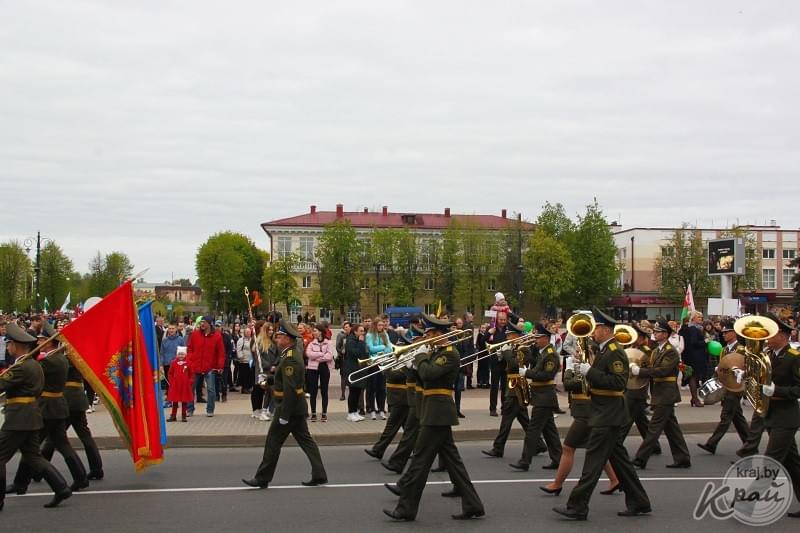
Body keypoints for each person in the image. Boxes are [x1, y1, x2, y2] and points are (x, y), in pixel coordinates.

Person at [383, 314, 484, 521]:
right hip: (433, 410)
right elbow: (422, 377)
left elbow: (429, 374)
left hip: (438, 412)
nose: (426, 337)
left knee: (420, 460)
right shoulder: (436, 352)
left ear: (438, 334)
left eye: (429, 333)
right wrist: (412, 364)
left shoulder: (449, 354)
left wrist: (420, 357)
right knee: (452, 461)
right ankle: (473, 504)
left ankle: (406, 508)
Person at [553, 307, 651, 521]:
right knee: (622, 463)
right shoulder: (605, 349)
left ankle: (577, 505)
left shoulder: (615, 351)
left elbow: (618, 383)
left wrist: (590, 372)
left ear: (605, 330)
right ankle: (640, 501)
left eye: (596, 328)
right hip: (605, 411)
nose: (593, 332)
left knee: (593, 462)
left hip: (608, 414)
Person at [242, 320, 327, 489]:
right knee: (306, 441)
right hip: (295, 407)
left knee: (273, 441)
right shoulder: (287, 353)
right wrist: (269, 380)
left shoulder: (290, 359)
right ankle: (319, 474)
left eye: (280, 336)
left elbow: (290, 389)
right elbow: (283, 379)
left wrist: (284, 416)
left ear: (288, 338)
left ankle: (262, 478)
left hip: (289, 408)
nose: (277, 338)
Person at [9, 325, 89, 494]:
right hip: (57, 405)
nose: (39, 342)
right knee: (61, 443)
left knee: (31, 446)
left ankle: (21, 482)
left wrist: (28, 360)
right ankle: (80, 477)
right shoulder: (59, 358)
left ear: (48, 341)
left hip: (47, 407)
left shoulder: (50, 361)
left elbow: (32, 373)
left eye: (42, 340)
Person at [0, 323, 72, 510]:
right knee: (33, 457)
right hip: (32, 415)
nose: (8, 347)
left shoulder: (22, 367)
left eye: (9, 344)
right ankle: (61, 487)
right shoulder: (33, 365)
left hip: (18, 418)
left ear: (16, 346)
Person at [541, 335, 620, 496]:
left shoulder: (590, 368)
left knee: (568, 447)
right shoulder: (586, 367)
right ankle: (614, 479)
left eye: (580, 351)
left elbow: (570, 384)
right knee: (597, 449)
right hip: (584, 410)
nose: (577, 353)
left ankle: (557, 483)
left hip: (586, 412)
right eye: (577, 350)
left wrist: (570, 370)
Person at [631, 320, 691, 469]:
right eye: (655, 331)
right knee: (672, 428)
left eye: (657, 332)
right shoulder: (658, 350)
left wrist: (640, 372)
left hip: (666, 393)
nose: (654, 333)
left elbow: (662, 371)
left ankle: (640, 459)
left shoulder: (670, 351)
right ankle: (683, 458)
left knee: (654, 427)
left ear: (665, 334)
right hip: (660, 392)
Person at [759, 313, 800, 518]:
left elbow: (798, 389)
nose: (767, 337)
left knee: (771, 459)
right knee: (792, 463)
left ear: (783, 335)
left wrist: (777, 391)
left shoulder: (794, 357)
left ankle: (748, 500)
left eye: (771, 333)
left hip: (787, 416)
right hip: (772, 414)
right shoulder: (769, 355)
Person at [41, 352, 103, 481]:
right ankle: (96, 468)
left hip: (69, 399)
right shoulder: (75, 353)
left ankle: (39, 470)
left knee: (55, 437)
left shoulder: (69, 356)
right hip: (78, 398)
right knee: (84, 435)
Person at [509, 323, 562, 471]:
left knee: (533, 430)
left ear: (545, 338)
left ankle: (525, 461)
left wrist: (527, 373)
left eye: (537, 338)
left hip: (544, 397)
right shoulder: (543, 353)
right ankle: (558, 458)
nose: (535, 341)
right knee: (549, 431)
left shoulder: (550, 354)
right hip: (541, 396)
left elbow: (546, 375)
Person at [697, 319, 750, 455]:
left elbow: (746, 367)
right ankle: (750, 444)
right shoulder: (724, 349)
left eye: (727, 332)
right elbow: (723, 366)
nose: (724, 334)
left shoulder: (741, 349)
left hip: (736, 386)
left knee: (726, 416)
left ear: (734, 333)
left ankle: (711, 443)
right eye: (724, 332)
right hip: (727, 385)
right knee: (737, 418)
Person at [365, 331, 410, 460]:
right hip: (396, 398)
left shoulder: (406, 362)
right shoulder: (397, 360)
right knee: (409, 429)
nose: (397, 349)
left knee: (391, 427)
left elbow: (395, 376)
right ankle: (415, 448)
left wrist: (386, 368)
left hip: (401, 398)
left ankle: (378, 449)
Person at [622, 321, 661, 454]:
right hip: (630, 387)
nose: (634, 338)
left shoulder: (647, 351)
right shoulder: (629, 348)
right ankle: (654, 445)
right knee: (640, 419)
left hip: (638, 388)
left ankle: (615, 444)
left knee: (626, 418)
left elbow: (649, 371)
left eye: (637, 336)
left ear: (642, 338)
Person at [186, 316, 225, 417]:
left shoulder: (217, 336)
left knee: (211, 389)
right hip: (195, 366)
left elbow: (221, 353)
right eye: (201, 322)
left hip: (210, 367)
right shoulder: (195, 334)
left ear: (209, 323)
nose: (202, 324)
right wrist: (190, 360)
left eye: (204, 322)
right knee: (191, 388)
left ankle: (210, 410)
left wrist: (220, 366)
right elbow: (189, 348)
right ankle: (189, 409)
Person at [305, 323, 333, 422]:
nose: (313, 332)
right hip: (312, 369)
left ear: (320, 331)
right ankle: (313, 413)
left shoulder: (328, 342)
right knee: (313, 391)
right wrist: (321, 354)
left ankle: (324, 413)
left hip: (324, 368)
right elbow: (308, 354)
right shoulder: (311, 343)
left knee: (324, 391)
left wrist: (317, 358)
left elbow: (329, 355)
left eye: (315, 331)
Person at [680, 311, 708, 407]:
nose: (701, 319)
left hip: (692, 356)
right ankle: (695, 399)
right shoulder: (693, 329)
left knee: (695, 378)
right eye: (699, 317)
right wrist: (705, 341)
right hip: (694, 357)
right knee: (693, 377)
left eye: (701, 317)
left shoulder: (693, 328)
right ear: (693, 319)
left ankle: (694, 398)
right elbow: (694, 342)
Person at [365, 316, 389, 420]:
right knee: (372, 387)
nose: (381, 327)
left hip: (382, 363)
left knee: (382, 388)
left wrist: (383, 350)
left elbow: (389, 348)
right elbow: (370, 348)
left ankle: (381, 409)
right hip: (373, 363)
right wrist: (382, 347)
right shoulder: (370, 335)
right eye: (379, 325)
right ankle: (372, 410)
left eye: (382, 325)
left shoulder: (385, 334)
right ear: (375, 325)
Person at [344, 324, 368, 421]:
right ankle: (350, 413)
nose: (363, 333)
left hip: (359, 369)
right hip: (352, 369)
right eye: (361, 331)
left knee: (358, 392)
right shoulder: (350, 341)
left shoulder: (358, 341)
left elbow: (365, 353)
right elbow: (356, 353)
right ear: (355, 332)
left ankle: (355, 412)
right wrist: (362, 343)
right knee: (353, 392)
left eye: (363, 331)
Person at [487, 311, 509, 416]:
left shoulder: (508, 330)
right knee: (494, 385)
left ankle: (504, 407)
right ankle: (492, 408)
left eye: (504, 320)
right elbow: (483, 341)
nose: (502, 322)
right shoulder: (492, 329)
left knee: (505, 386)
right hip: (495, 361)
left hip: (505, 361)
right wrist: (489, 333)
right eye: (501, 319)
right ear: (497, 319)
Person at [160, 323, 185, 406]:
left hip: (178, 365)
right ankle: (170, 399)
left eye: (173, 328)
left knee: (177, 383)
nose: (171, 330)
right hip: (167, 364)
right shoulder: (164, 341)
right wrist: (161, 365)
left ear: (176, 329)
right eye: (170, 328)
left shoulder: (181, 340)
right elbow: (162, 353)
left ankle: (177, 399)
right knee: (169, 383)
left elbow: (184, 352)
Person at [166, 347, 192, 422]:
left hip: (184, 386)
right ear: (177, 355)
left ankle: (184, 415)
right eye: (179, 354)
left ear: (185, 355)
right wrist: (172, 382)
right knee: (175, 401)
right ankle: (173, 415)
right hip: (176, 385)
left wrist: (189, 382)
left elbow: (191, 374)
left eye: (182, 354)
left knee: (184, 401)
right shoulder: (173, 363)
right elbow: (170, 373)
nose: (181, 356)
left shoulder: (188, 363)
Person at [235, 326, 254, 394]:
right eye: (247, 332)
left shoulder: (252, 339)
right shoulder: (241, 340)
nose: (248, 333)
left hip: (251, 361)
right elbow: (238, 349)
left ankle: (249, 387)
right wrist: (240, 357)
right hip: (243, 361)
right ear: (244, 333)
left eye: (249, 332)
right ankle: (244, 388)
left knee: (249, 375)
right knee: (244, 375)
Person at [335, 321, 351, 401]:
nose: (346, 329)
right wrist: (341, 352)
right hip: (343, 359)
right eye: (345, 327)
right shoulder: (341, 336)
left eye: (347, 327)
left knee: (351, 376)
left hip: (351, 359)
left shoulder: (353, 336)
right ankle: (343, 394)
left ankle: (351, 394)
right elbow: (337, 347)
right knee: (343, 377)